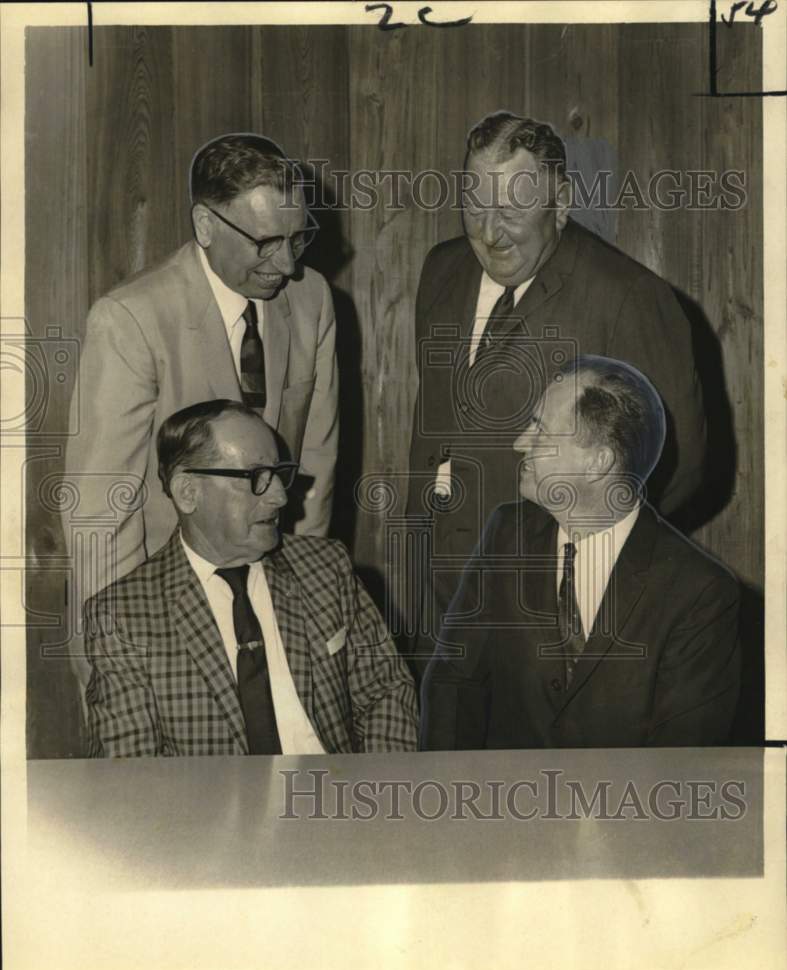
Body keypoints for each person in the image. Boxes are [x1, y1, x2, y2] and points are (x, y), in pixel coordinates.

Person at [406, 111, 706, 667]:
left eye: (513, 211)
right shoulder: (440, 270)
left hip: (551, 617)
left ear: (561, 204)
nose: (489, 233)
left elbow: (679, 463)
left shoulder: (629, 297)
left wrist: (581, 564)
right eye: (475, 205)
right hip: (438, 606)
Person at [65, 133, 338, 621]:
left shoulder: (312, 299)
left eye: (298, 238)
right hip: (166, 600)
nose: (288, 264)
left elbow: (315, 465)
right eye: (266, 242)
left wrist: (304, 603)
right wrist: (122, 641)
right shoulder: (132, 318)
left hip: (273, 591)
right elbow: (102, 509)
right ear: (206, 225)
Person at [420, 356, 740, 749]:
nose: (520, 443)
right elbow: (454, 682)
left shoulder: (701, 596)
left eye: (540, 432)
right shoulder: (507, 536)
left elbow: (683, 767)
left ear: (597, 462)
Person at [84, 400, 417, 757]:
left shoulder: (325, 567)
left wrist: (376, 796)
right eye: (256, 478)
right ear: (188, 492)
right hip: (214, 810)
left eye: (278, 474)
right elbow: (132, 772)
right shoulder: (123, 615)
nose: (279, 496)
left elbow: (387, 691)